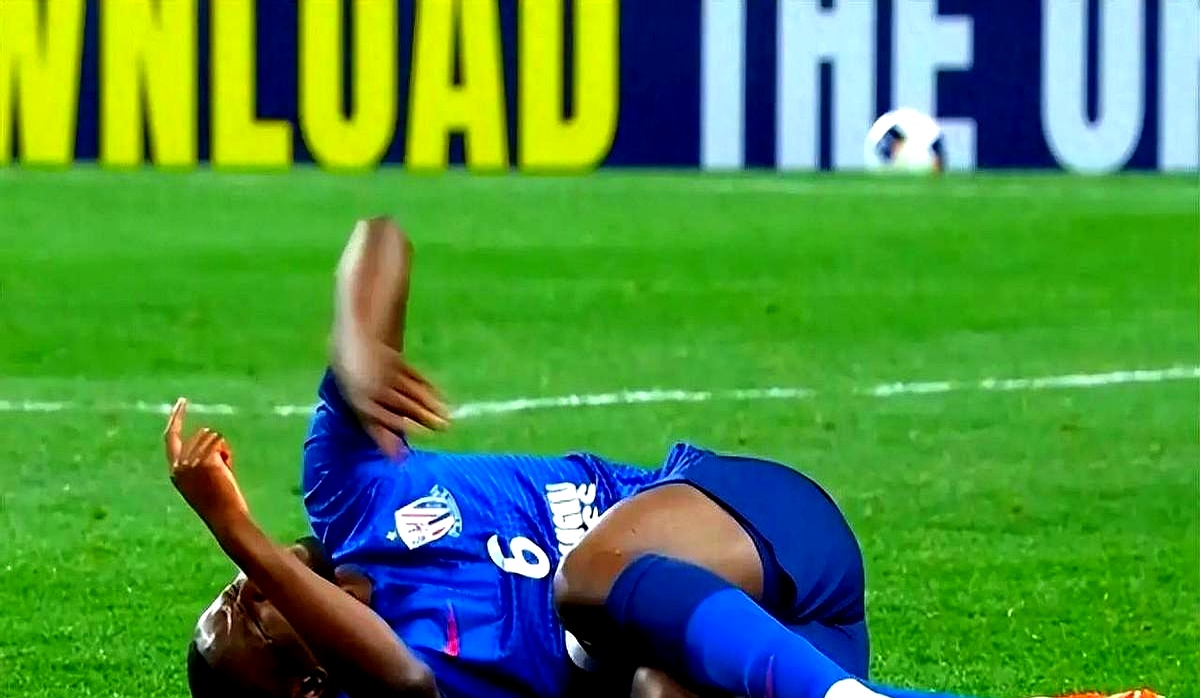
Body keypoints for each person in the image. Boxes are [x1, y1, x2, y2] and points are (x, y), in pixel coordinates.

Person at [169, 217, 1157, 698]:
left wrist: (357, 345)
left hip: (764, 528)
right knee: (652, 692)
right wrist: (231, 526)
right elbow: (406, 682)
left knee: (588, 579)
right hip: (788, 649)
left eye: (227, 589)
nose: (241, 589)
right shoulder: (402, 679)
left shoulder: (352, 492)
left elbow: (380, 238)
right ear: (306, 687)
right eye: (245, 619)